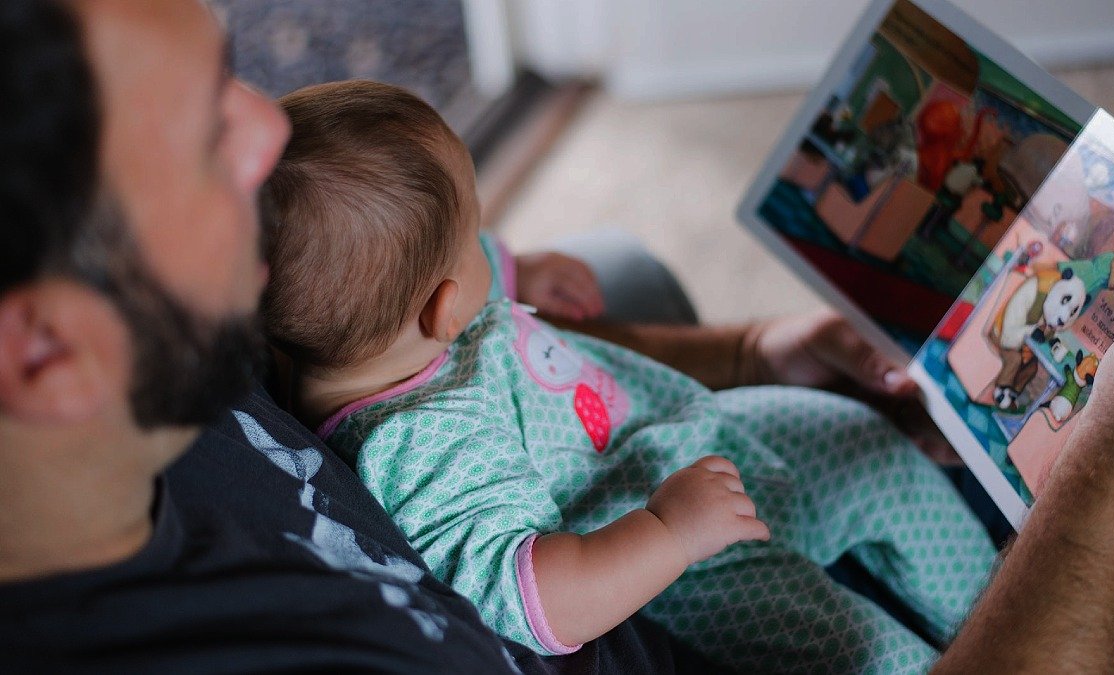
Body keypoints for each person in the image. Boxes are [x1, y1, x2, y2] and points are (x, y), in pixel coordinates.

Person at [0, 0, 1114, 673]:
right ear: (46, 352)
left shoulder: (207, 324)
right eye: (208, 141)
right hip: (705, 579)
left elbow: (485, 344)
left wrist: (746, 349)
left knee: (889, 416)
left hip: (674, 450)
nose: (267, 127)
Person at [260, 79, 997, 672]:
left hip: (690, 433)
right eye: (475, 236)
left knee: (866, 442)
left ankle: (999, 611)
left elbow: (432, 262)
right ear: (445, 308)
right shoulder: (422, 445)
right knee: (872, 655)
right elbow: (532, 596)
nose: (488, 242)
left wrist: (516, 267)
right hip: (693, 566)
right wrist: (668, 532)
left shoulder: (370, 331)